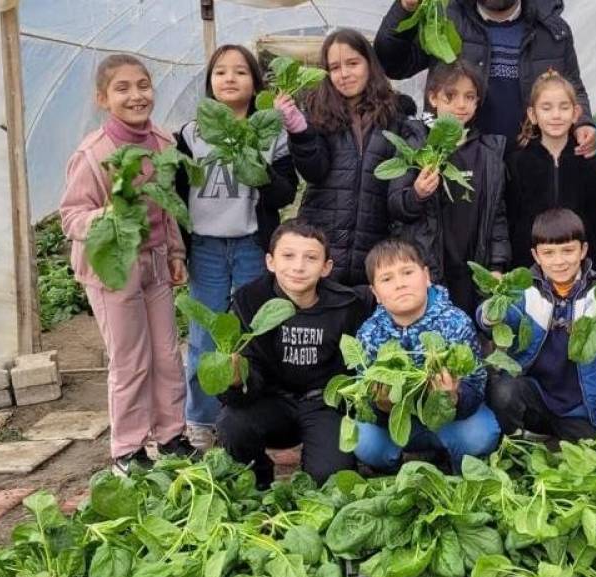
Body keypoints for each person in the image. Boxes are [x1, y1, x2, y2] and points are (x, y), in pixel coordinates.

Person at [57, 54, 194, 474]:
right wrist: (107, 216)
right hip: (112, 267)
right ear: (103, 98)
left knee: (168, 355)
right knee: (130, 359)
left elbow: (168, 208)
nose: (136, 95)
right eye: (122, 88)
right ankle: (129, 448)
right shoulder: (95, 153)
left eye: (143, 85)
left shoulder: (164, 143)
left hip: (154, 263)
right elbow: (71, 217)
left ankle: (171, 436)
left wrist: (174, 252)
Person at [174, 44, 299, 450]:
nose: (230, 79)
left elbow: (284, 193)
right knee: (204, 335)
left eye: (241, 72)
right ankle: (201, 420)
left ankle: (250, 414)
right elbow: (176, 194)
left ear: (255, 82)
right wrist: (178, 247)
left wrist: (257, 166)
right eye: (221, 72)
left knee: (256, 332)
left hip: (251, 243)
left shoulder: (270, 131)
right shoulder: (192, 134)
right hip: (207, 248)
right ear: (210, 82)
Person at [214, 221, 371, 488]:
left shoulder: (347, 306)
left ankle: (319, 461)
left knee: (328, 479)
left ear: (326, 267)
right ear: (270, 261)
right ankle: (259, 478)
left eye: (311, 258)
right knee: (231, 424)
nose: (298, 267)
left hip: (324, 404)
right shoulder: (248, 302)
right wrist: (236, 380)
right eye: (288, 256)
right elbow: (231, 393)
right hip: (271, 401)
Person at [275, 29, 424, 286]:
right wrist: (301, 133)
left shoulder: (396, 114)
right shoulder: (317, 111)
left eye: (353, 63)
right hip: (323, 243)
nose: (344, 74)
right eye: (334, 67)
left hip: (374, 244)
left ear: (370, 64)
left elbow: (398, 187)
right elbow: (314, 172)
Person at [484, 209, 596, 442]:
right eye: (548, 253)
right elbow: (491, 319)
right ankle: (515, 441)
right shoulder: (524, 290)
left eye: (568, 250)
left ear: (583, 250)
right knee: (502, 392)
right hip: (536, 395)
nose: (559, 261)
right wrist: (490, 314)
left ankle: (557, 435)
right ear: (536, 256)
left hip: (579, 407)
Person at [352, 238, 501, 472]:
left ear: (427, 277)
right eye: (387, 279)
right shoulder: (369, 332)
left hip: (448, 421)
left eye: (407, 272)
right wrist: (382, 406)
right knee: (365, 442)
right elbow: (364, 398)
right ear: (375, 293)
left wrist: (455, 396)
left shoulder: (455, 321)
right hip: (399, 423)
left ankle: (455, 463)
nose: (400, 284)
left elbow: (476, 386)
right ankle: (391, 470)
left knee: (480, 435)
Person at [375, 0, 596, 155]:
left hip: (529, 163)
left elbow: (572, 85)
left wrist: (583, 123)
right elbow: (394, 64)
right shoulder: (443, 21)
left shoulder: (552, 29)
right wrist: (405, 8)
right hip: (460, 159)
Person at [388, 60, 510, 314]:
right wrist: (417, 194)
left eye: (470, 97)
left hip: (471, 270)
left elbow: (496, 216)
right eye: (450, 96)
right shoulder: (415, 145)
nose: (461, 104)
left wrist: (497, 267)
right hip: (428, 268)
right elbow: (395, 206)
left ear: (478, 102)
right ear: (433, 97)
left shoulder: (488, 153)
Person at [505, 71, 596, 269]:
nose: (556, 115)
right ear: (533, 115)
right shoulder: (516, 164)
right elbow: (512, 221)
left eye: (564, 107)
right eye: (547, 108)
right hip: (530, 269)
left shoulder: (592, 167)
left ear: (576, 113)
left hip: (581, 269)